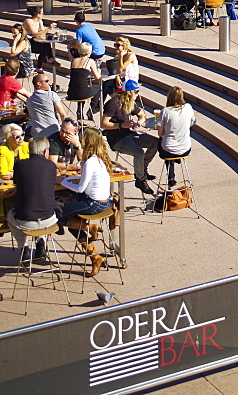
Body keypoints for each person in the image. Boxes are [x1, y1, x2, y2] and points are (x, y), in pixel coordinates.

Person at [58, 128, 113, 276]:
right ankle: (94, 256)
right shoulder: (100, 159)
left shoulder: (90, 162)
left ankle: (89, 227)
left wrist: (63, 182)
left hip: (93, 204)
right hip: (105, 202)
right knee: (72, 225)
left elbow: (81, 188)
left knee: (57, 215)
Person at [7, 135, 59, 266]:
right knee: (43, 205)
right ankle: (41, 243)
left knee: (9, 215)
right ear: (45, 151)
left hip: (25, 221)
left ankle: (23, 247)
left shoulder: (19, 164)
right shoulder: (51, 167)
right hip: (49, 220)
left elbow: (18, 183)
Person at [101, 84, 158, 194]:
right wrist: (122, 125)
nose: (138, 94)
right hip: (117, 139)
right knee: (139, 152)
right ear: (129, 93)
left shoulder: (130, 102)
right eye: (136, 91)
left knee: (155, 143)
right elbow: (103, 124)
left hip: (129, 133)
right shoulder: (113, 104)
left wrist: (139, 122)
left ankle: (142, 171)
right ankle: (140, 180)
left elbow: (142, 115)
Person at [156, 86, 196, 187]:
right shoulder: (188, 107)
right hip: (186, 148)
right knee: (169, 145)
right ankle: (175, 163)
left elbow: (160, 133)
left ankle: (171, 176)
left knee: (164, 143)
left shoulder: (165, 111)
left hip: (169, 149)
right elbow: (192, 122)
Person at [25, 71, 65, 140]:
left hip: (37, 134)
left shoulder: (29, 100)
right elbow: (63, 115)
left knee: (27, 127)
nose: (49, 83)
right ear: (39, 84)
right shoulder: (51, 94)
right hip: (54, 132)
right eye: (46, 81)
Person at [67, 41, 100, 119]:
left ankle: (79, 109)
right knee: (98, 88)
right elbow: (97, 77)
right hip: (82, 93)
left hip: (71, 92)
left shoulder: (74, 60)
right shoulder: (90, 61)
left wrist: (68, 50)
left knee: (81, 86)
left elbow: (79, 74)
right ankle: (92, 108)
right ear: (88, 52)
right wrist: (98, 71)